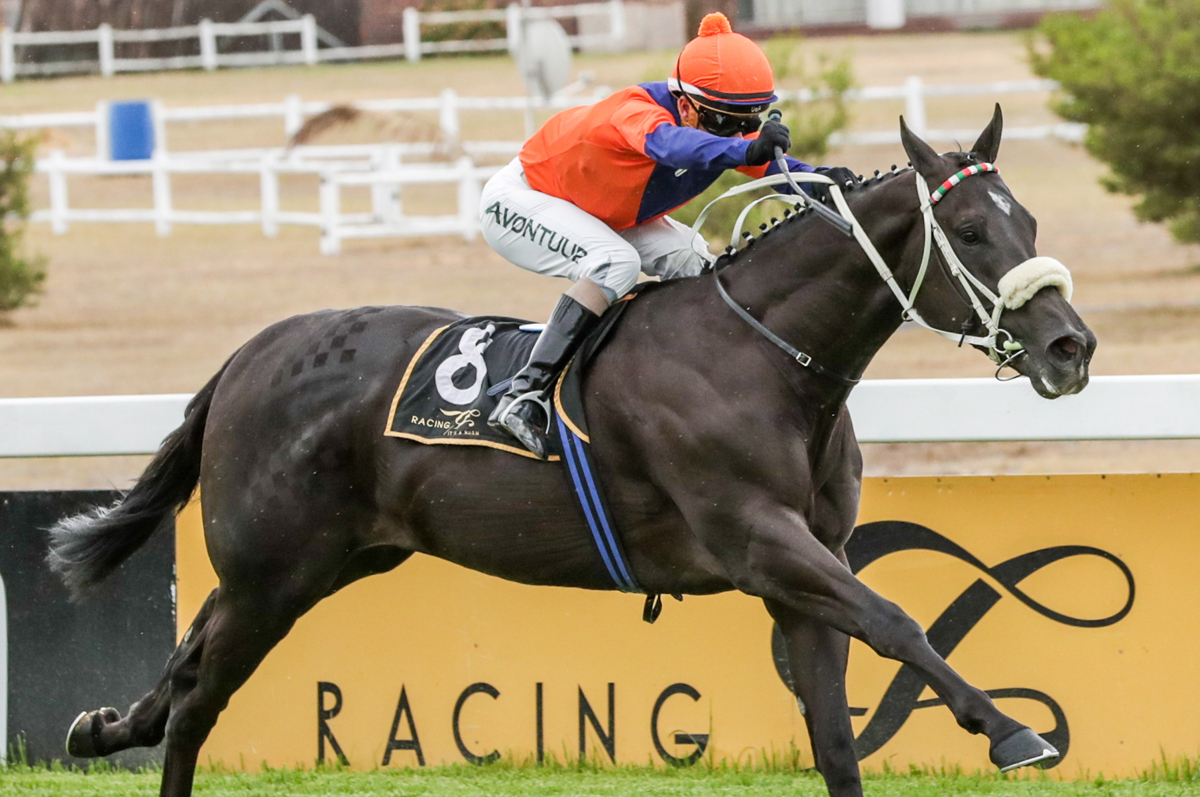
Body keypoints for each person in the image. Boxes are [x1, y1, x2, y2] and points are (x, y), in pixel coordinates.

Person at [480, 12, 857, 458]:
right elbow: (672, 146)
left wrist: (822, 180)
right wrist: (744, 148)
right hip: (522, 200)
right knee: (615, 263)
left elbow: (769, 166)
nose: (740, 133)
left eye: (748, 121)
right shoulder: (634, 112)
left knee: (696, 260)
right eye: (727, 122)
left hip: (603, 210)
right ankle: (525, 395)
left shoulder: (713, 123)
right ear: (686, 104)